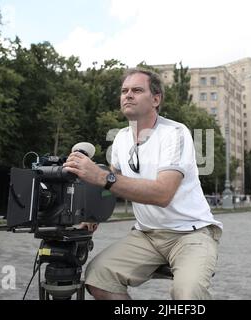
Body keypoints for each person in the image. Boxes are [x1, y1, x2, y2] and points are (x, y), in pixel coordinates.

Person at [63, 68, 223, 300]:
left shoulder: (175, 133)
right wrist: (91, 216)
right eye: (124, 91)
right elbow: (112, 184)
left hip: (191, 234)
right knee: (98, 278)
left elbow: (162, 193)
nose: (128, 95)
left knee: (187, 294)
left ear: (156, 99)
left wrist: (100, 176)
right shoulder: (121, 138)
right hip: (147, 234)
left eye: (137, 90)